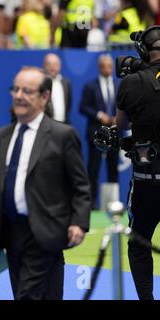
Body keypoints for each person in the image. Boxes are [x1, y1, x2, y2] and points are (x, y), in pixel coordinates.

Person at [0, 66, 91, 300]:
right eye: (15, 89)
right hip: (10, 232)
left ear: (44, 97)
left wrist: (79, 222)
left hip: (47, 230)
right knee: (38, 293)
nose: (18, 96)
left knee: (28, 295)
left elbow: (81, 186)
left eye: (27, 91)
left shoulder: (62, 135)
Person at [116, 25, 160, 300]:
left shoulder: (131, 82)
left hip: (147, 181)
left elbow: (120, 125)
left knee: (140, 242)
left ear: (143, 50)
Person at [80, 54, 119, 210]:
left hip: (115, 133)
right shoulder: (90, 86)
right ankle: (92, 203)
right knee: (93, 169)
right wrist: (99, 115)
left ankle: (114, 203)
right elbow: (83, 107)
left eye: (110, 66)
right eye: (104, 66)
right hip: (96, 133)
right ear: (99, 67)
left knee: (113, 168)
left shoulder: (118, 85)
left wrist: (119, 117)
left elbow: (123, 105)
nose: (107, 69)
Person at [43, 53, 72, 123]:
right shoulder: (41, 82)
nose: (52, 67)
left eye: (55, 64)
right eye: (49, 64)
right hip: (46, 124)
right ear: (44, 66)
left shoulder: (66, 82)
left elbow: (68, 104)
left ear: (60, 66)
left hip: (64, 123)